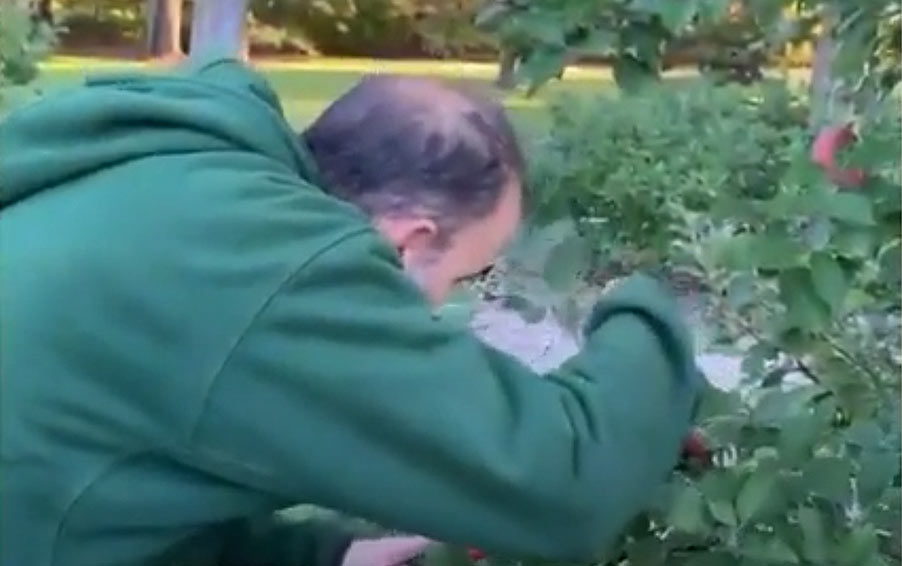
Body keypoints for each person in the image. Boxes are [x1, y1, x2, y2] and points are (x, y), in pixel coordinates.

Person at [0, 57, 702, 566]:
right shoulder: (269, 268)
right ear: (411, 241)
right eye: (467, 274)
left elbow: (95, 477)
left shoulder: (161, 168)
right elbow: (561, 483)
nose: (445, 304)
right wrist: (642, 312)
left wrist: (322, 556)